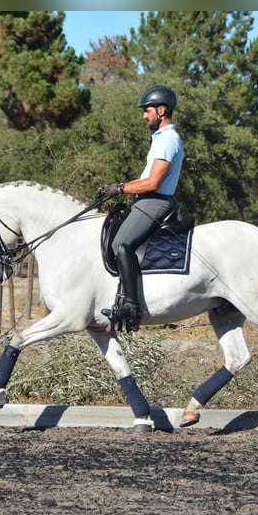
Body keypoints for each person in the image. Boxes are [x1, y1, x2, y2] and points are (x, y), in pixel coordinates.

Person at [97, 85, 185, 332]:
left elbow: (153, 182)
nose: (144, 116)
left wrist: (120, 187)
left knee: (121, 244)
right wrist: (115, 189)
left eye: (147, 111)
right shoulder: (160, 139)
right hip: (146, 200)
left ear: (162, 110)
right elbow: (145, 180)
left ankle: (131, 307)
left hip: (154, 202)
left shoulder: (168, 139)